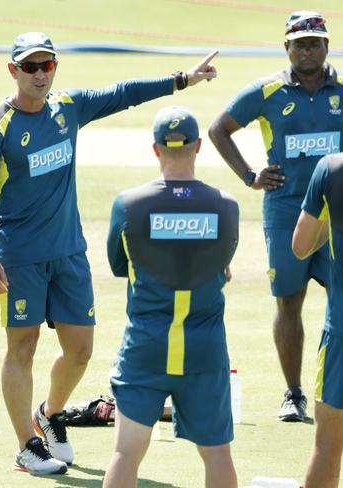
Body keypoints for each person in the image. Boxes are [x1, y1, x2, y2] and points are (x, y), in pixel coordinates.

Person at [0, 31, 218, 475]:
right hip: (19, 255)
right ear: (13, 71)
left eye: (47, 65)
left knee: (80, 349)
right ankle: (27, 444)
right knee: (22, 347)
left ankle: (50, 413)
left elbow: (123, 94)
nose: (40, 74)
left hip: (68, 251)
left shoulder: (67, 107)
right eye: (30, 66)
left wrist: (182, 80)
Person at [208, 10, 343, 422]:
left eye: (314, 42)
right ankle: (294, 393)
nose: (307, 50)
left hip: (337, 212)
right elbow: (218, 129)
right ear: (287, 47)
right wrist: (249, 175)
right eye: (299, 43)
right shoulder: (267, 91)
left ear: (326, 45)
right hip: (286, 209)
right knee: (289, 301)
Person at [103, 106, 239, 488]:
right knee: (218, 454)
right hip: (205, 348)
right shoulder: (227, 206)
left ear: (155, 148)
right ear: (198, 146)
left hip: (146, 345)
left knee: (125, 454)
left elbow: (119, 265)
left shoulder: (128, 204)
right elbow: (220, 265)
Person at [293, 153, 343, 487]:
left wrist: (326, 212)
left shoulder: (331, 170)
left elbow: (300, 247)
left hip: (341, 333)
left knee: (327, 445)